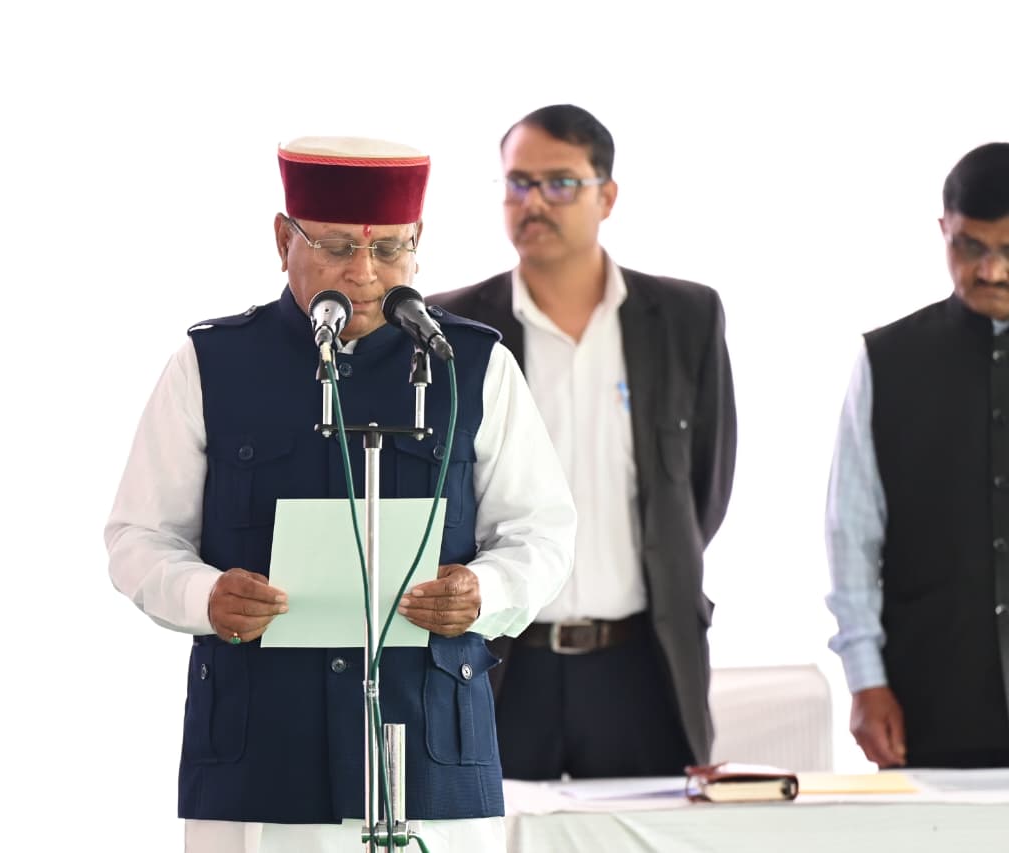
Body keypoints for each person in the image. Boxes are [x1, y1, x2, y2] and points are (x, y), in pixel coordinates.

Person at [104, 135, 576, 851]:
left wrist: (486, 591)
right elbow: (138, 536)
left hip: (430, 751)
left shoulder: (472, 364)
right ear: (282, 240)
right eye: (334, 246)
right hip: (261, 754)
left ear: (417, 244)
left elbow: (542, 532)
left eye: (389, 248)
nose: (363, 271)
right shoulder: (210, 363)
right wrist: (204, 595)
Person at [429, 104, 737, 779]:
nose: (534, 202)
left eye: (561, 183)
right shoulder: (450, 327)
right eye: (518, 182)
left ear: (608, 196)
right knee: (488, 826)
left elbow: (703, 489)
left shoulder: (684, 318)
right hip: (499, 659)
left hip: (642, 664)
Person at [826, 142, 1009, 769]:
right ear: (942, 231)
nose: (990, 271)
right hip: (930, 700)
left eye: (1008, 249)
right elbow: (851, 536)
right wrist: (865, 680)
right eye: (969, 247)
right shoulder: (887, 361)